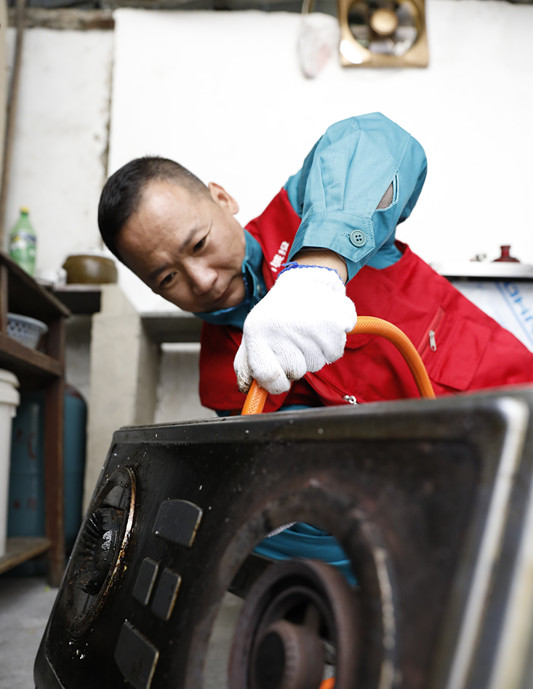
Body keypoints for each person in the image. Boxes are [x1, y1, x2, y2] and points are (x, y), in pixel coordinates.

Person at [97, 112, 533, 575]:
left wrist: (317, 269)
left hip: (518, 426)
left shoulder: (305, 209)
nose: (201, 280)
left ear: (222, 199)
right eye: (168, 278)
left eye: (200, 244)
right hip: (447, 518)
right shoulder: (223, 380)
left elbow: (374, 140)